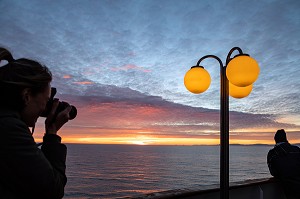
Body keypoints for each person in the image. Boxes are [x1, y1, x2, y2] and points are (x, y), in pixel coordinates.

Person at [0, 47, 72, 199]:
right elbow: (52, 190)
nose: (44, 109)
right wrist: (52, 134)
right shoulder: (9, 129)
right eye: (46, 101)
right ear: (26, 96)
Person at [267, 129, 300, 199]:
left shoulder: (273, 153)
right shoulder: (297, 149)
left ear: (275, 139)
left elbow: (273, 172)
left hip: (291, 188)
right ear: (286, 139)